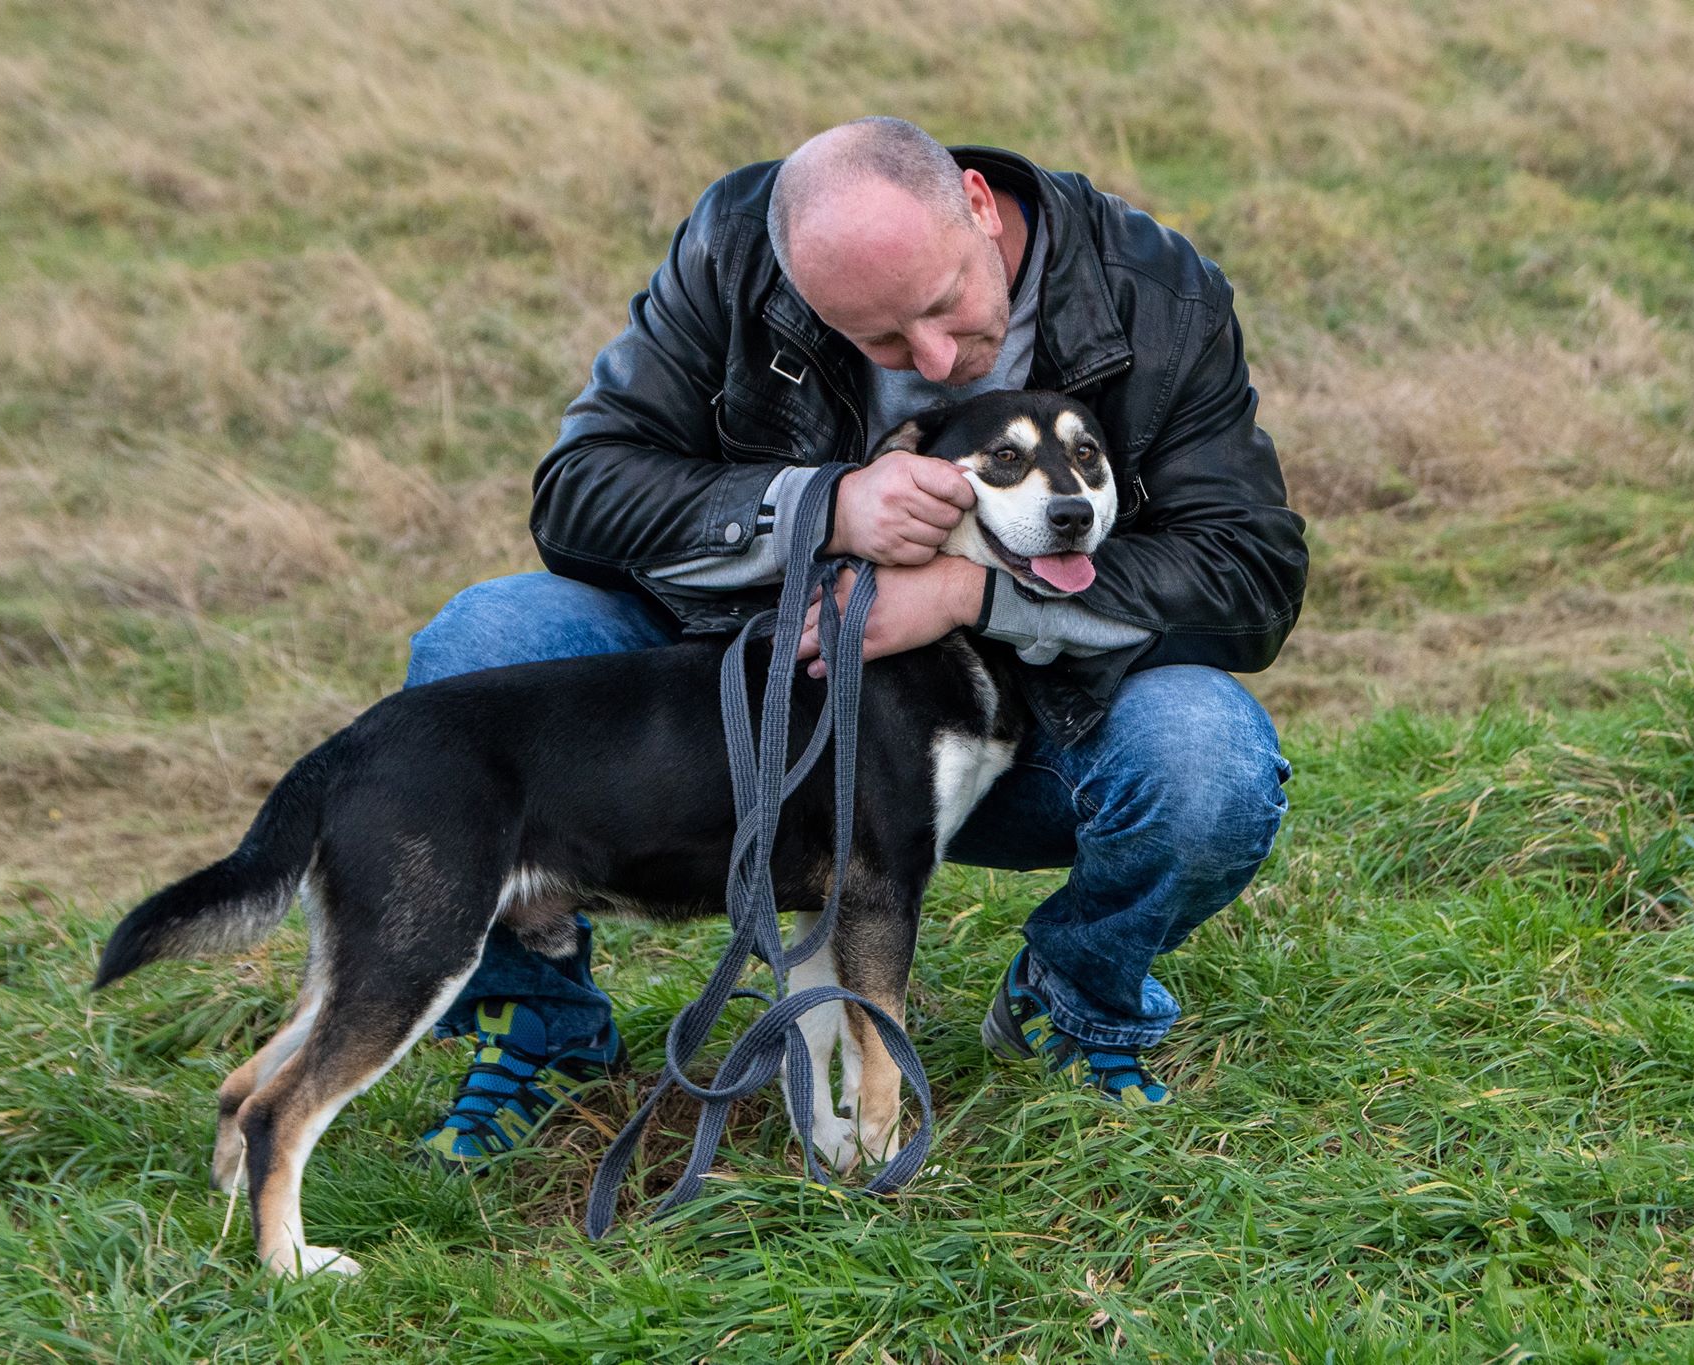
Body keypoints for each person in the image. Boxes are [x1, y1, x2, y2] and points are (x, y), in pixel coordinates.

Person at [405, 117, 1307, 1167]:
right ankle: (541, 1027)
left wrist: (969, 594)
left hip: (1032, 714)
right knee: (481, 644)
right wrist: (822, 507)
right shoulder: (736, 252)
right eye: (879, 341)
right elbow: (579, 494)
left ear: (979, 207)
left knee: (1208, 766)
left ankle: (1073, 995)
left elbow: (1249, 575)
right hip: (750, 688)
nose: (932, 360)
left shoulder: (1157, 295)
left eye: (943, 305)